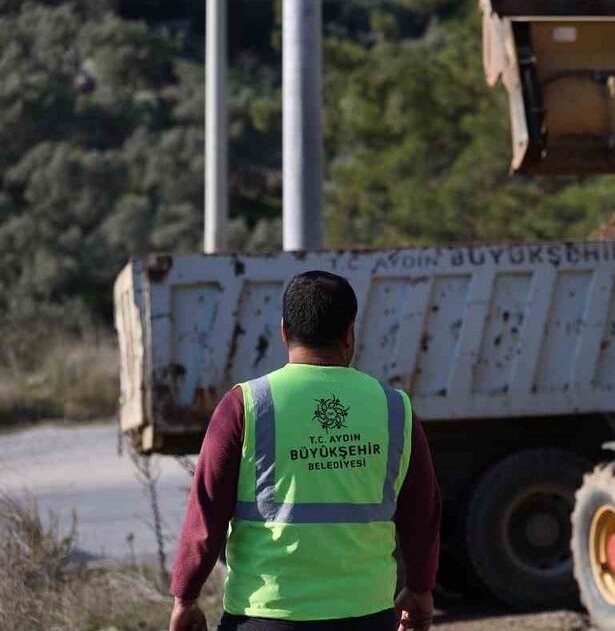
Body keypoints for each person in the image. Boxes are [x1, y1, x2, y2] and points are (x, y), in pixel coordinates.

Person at [168, 270, 442, 631]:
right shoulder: (396, 409)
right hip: (366, 616)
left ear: (284, 331)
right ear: (349, 333)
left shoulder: (246, 405)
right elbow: (423, 515)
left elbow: (206, 512)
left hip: (265, 616)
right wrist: (420, 589)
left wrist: (185, 597)